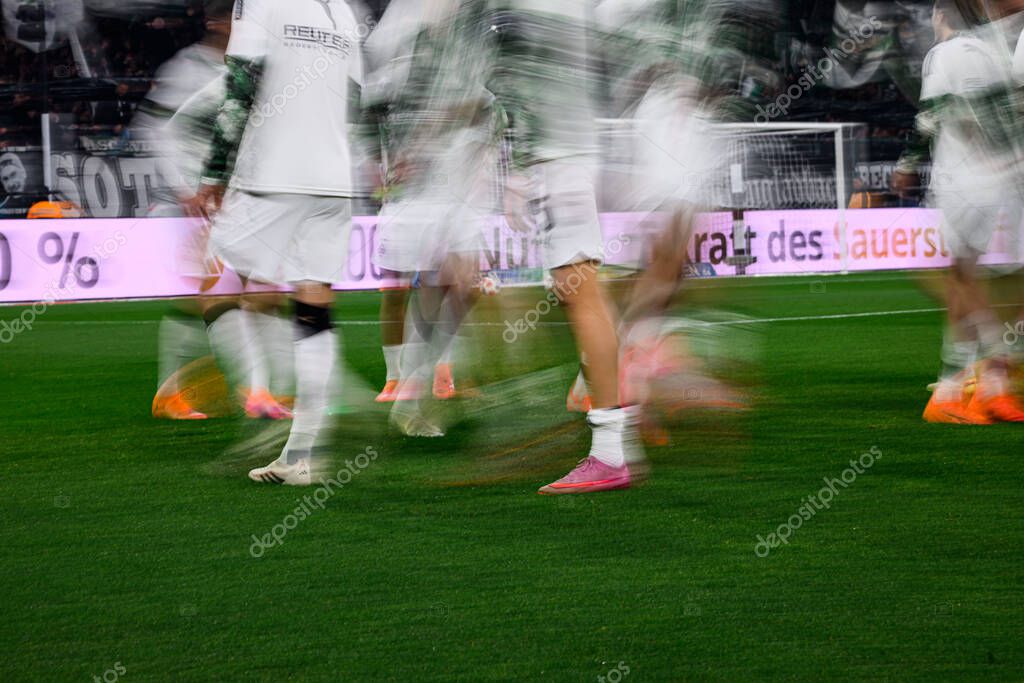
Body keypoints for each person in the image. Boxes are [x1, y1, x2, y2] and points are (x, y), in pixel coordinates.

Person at [193, 0, 365, 484]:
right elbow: (355, 98)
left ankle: (257, 392)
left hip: (275, 175)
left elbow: (240, 87)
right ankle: (301, 454)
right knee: (314, 304)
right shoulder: (345, 13)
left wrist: (214, 172)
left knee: (216, 278)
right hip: (334, 179)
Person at [894, 0, 1024, 423]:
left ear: (941, 16)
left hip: (970, 179)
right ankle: (975, 386)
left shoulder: (950, 53)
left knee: (965, 276)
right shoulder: (983, 52)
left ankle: (966, 387)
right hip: (982, 178)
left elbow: (932, 117)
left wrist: (908, 164)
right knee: (970, 277)